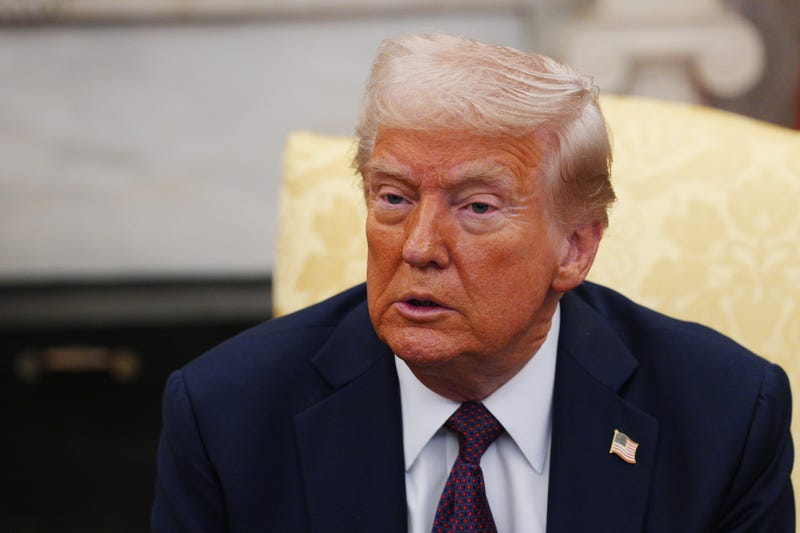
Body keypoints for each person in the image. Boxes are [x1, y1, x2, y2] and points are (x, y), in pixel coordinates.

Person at [151, 34, 794, 532]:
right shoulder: (225, 416)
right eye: (394, 197)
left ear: (575, 248)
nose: (420, 246)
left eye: (477, 207)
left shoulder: (723, 417)